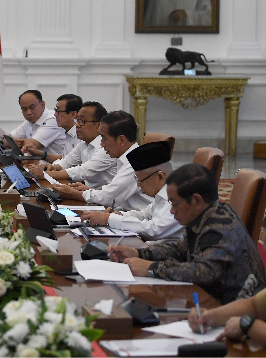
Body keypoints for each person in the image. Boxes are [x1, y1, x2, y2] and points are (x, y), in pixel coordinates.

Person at [110, 164, 266, 304]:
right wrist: (138, 253)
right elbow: (180, 249)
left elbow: (203, 273)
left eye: (174, 203)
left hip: (238, 312)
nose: (171, 211)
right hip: (213, 302)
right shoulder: (204, 216)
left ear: (197, 201)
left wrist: (151, 268)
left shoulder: (219, 228)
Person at [83, 141, 184, 243]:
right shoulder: (163, 192)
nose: (138, 185)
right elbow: (146, 214)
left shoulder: (179, 195)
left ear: (160, 176)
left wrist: (109, 219)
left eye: (140, 180)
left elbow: (154, 231)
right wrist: (119, 215)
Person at [52, 110, 153, 211]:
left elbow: (109, 198)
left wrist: (74, 194)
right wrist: (90, 191)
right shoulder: (125, 157)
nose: (102, 144)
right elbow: (113, 194)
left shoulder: (136, 162)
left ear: (122, 140)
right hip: (126, 213)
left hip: (140, 221)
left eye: (104, 139)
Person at [28, 101, 116, 188]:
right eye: (77, 120)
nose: (77, 125)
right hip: (89, 194)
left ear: (98, 126)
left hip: (104, 198)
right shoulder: (83, 143)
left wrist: (44, 174)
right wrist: (52, 167)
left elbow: (82, 171)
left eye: (82, 121)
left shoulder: (106, 147)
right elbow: (66, 162)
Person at [23, 94, 81, 163]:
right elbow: (65, 159)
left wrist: (47, 172)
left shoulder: (81, 137)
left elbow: (74, 167)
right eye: (56, 110)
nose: (55, 114)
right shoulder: (69, 134)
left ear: (73, 115)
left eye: (59, 111)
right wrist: (39, 153)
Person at [9, 90, 68, 157]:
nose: (28, 112)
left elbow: (32, 145)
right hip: (38, 164)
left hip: (56, 165)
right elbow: (6, 140)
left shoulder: (53, 119)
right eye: (24, 109)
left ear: (42, 105)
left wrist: (13, 142)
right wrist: (14, 141)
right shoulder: (29, 121)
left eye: (32, 107)